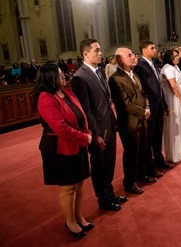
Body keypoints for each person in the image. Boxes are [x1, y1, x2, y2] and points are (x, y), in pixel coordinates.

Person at [34, 63, 93, 238]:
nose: (63, 76)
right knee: (68, 187)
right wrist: (84, 137)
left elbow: (81, 116)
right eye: (59, 74)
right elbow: (60, 127)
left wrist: (87, 132)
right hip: (60, 146)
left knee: (80, 183)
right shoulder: (45, 97)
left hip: (77, 143)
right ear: (49, 77)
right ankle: (70, 221)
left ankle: (79, 216)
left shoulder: (66, 92)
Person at [72, 38, 127, 211]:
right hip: (97, 129)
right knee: (99, 164)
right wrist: (94, 134)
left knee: (110, 162)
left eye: (100, 49)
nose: (100, 53)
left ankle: (109, 193)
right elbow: (85, 110)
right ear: (85, 54)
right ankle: (103, 199)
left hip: (109, 124)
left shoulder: (99, 71)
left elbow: (106, 100)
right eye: (96, 50)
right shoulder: (79, 77)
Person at [109, 47, 154, 194]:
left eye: (133, 54)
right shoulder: (115, 79)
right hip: (129, 122)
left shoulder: (134, 74)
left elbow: (143, 94)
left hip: (142, 118)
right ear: (120, 60)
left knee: (142, 149)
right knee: (131, 153)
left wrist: (146, 108)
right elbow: (125, 103)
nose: (134, 57)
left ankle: (141, 175)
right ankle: (129, 182)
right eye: (129, 55)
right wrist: (143, 112)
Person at [133, 40, 173, 170]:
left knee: (157, 137)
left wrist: (165, 105)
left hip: (159, 106)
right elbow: (142, 90)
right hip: (151, 108)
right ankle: (150, 166)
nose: (155, 50)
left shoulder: (154, 64)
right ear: (144, 50)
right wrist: (147, 107)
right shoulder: (140, 67)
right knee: (148, 139)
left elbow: (159, 87)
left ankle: (159, 160)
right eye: (152, 48)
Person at [160, 49, 181, 163]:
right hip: (172, 100)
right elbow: (172, 85)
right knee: (173, 125)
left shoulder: (176, 67)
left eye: (178, 55)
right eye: (175, 56)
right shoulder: (167, 68)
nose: (178, 57)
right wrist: (180, 97)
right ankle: (173, 153)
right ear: (169, 57)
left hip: (179, 98)